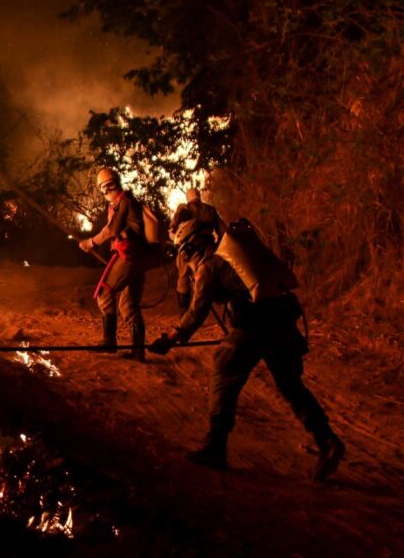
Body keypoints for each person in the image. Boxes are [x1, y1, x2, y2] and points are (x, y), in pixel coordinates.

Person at [149, 220, 345, 480]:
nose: (183, 257)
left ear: (193, 245)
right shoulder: (235, 258)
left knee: (223, 372)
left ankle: (214, 449)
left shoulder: (210, 265)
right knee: (291, 386)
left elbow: (197, 312)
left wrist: (170, 338)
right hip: (284, 325)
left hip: (252, 328)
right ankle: (328, 441)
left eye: (184, 250)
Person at [79, 168, 150, 361]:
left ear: (106, 186)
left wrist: (91, 242)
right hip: (139, 258)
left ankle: (109, 341)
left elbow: (112, 229)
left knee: (104, 293)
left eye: (103, 187)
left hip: (129, 257)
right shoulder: (125, 202)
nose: (104, 192)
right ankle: (138, 351)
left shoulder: (123, 202)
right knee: (129, 305)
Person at [169, 188, 227, 314]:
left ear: (188, 198)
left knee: (183, 278)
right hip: (207, 249)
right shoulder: (210, 210)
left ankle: (184, 312)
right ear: (199, 196)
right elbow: (223, 231)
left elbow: (172, 231)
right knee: (209, 274)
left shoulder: (183, 210)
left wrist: (178, 243)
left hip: (187, 250)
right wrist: (217, 246)